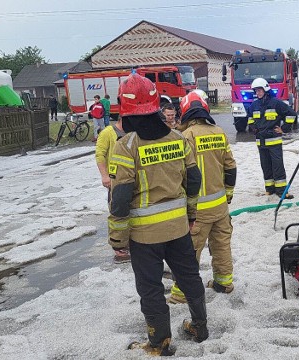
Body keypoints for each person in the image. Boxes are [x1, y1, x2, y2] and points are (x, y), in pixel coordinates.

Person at [108, 73, 208, 355]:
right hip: (178, 229)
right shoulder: (178, 139)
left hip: (144, 236)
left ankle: (159, 342)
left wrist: (118, 237)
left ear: (124, 109)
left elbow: (121, 198)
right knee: (189, 277)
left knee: (151, 288)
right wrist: (190, 215)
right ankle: (200, 326)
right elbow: (194, 180)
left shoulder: (126, 146)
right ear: (155, 104)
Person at [168, 91, 237, 304]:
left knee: (189, 253)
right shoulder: (219, 132)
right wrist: (228, 194)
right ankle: (224, 283)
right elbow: (231, 167)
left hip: (197, 210)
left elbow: (178, 172)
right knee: (221, 246)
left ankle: (181, 294)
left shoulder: (186, 137)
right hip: (220, 207)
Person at [247, 78, 297, 198]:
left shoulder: (276, 103)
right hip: (261, 142)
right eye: (256, 90)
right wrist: (254, 128)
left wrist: (283, 129)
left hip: (274, 141)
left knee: (277, 166)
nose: (258, 93)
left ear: (265, 90)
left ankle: (281, 192)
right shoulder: (254, 105)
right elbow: (250, 119)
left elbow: (291, 114)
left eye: (260, 90)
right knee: (266, 166)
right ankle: (269, 189)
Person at [95, 116, 129, 263]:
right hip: (115, 181)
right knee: (117, 212)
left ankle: (129, 242)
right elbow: (100, 155)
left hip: (130, 179)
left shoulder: (133, 132)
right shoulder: (108, 133)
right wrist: (105, 176)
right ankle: (119, 247)